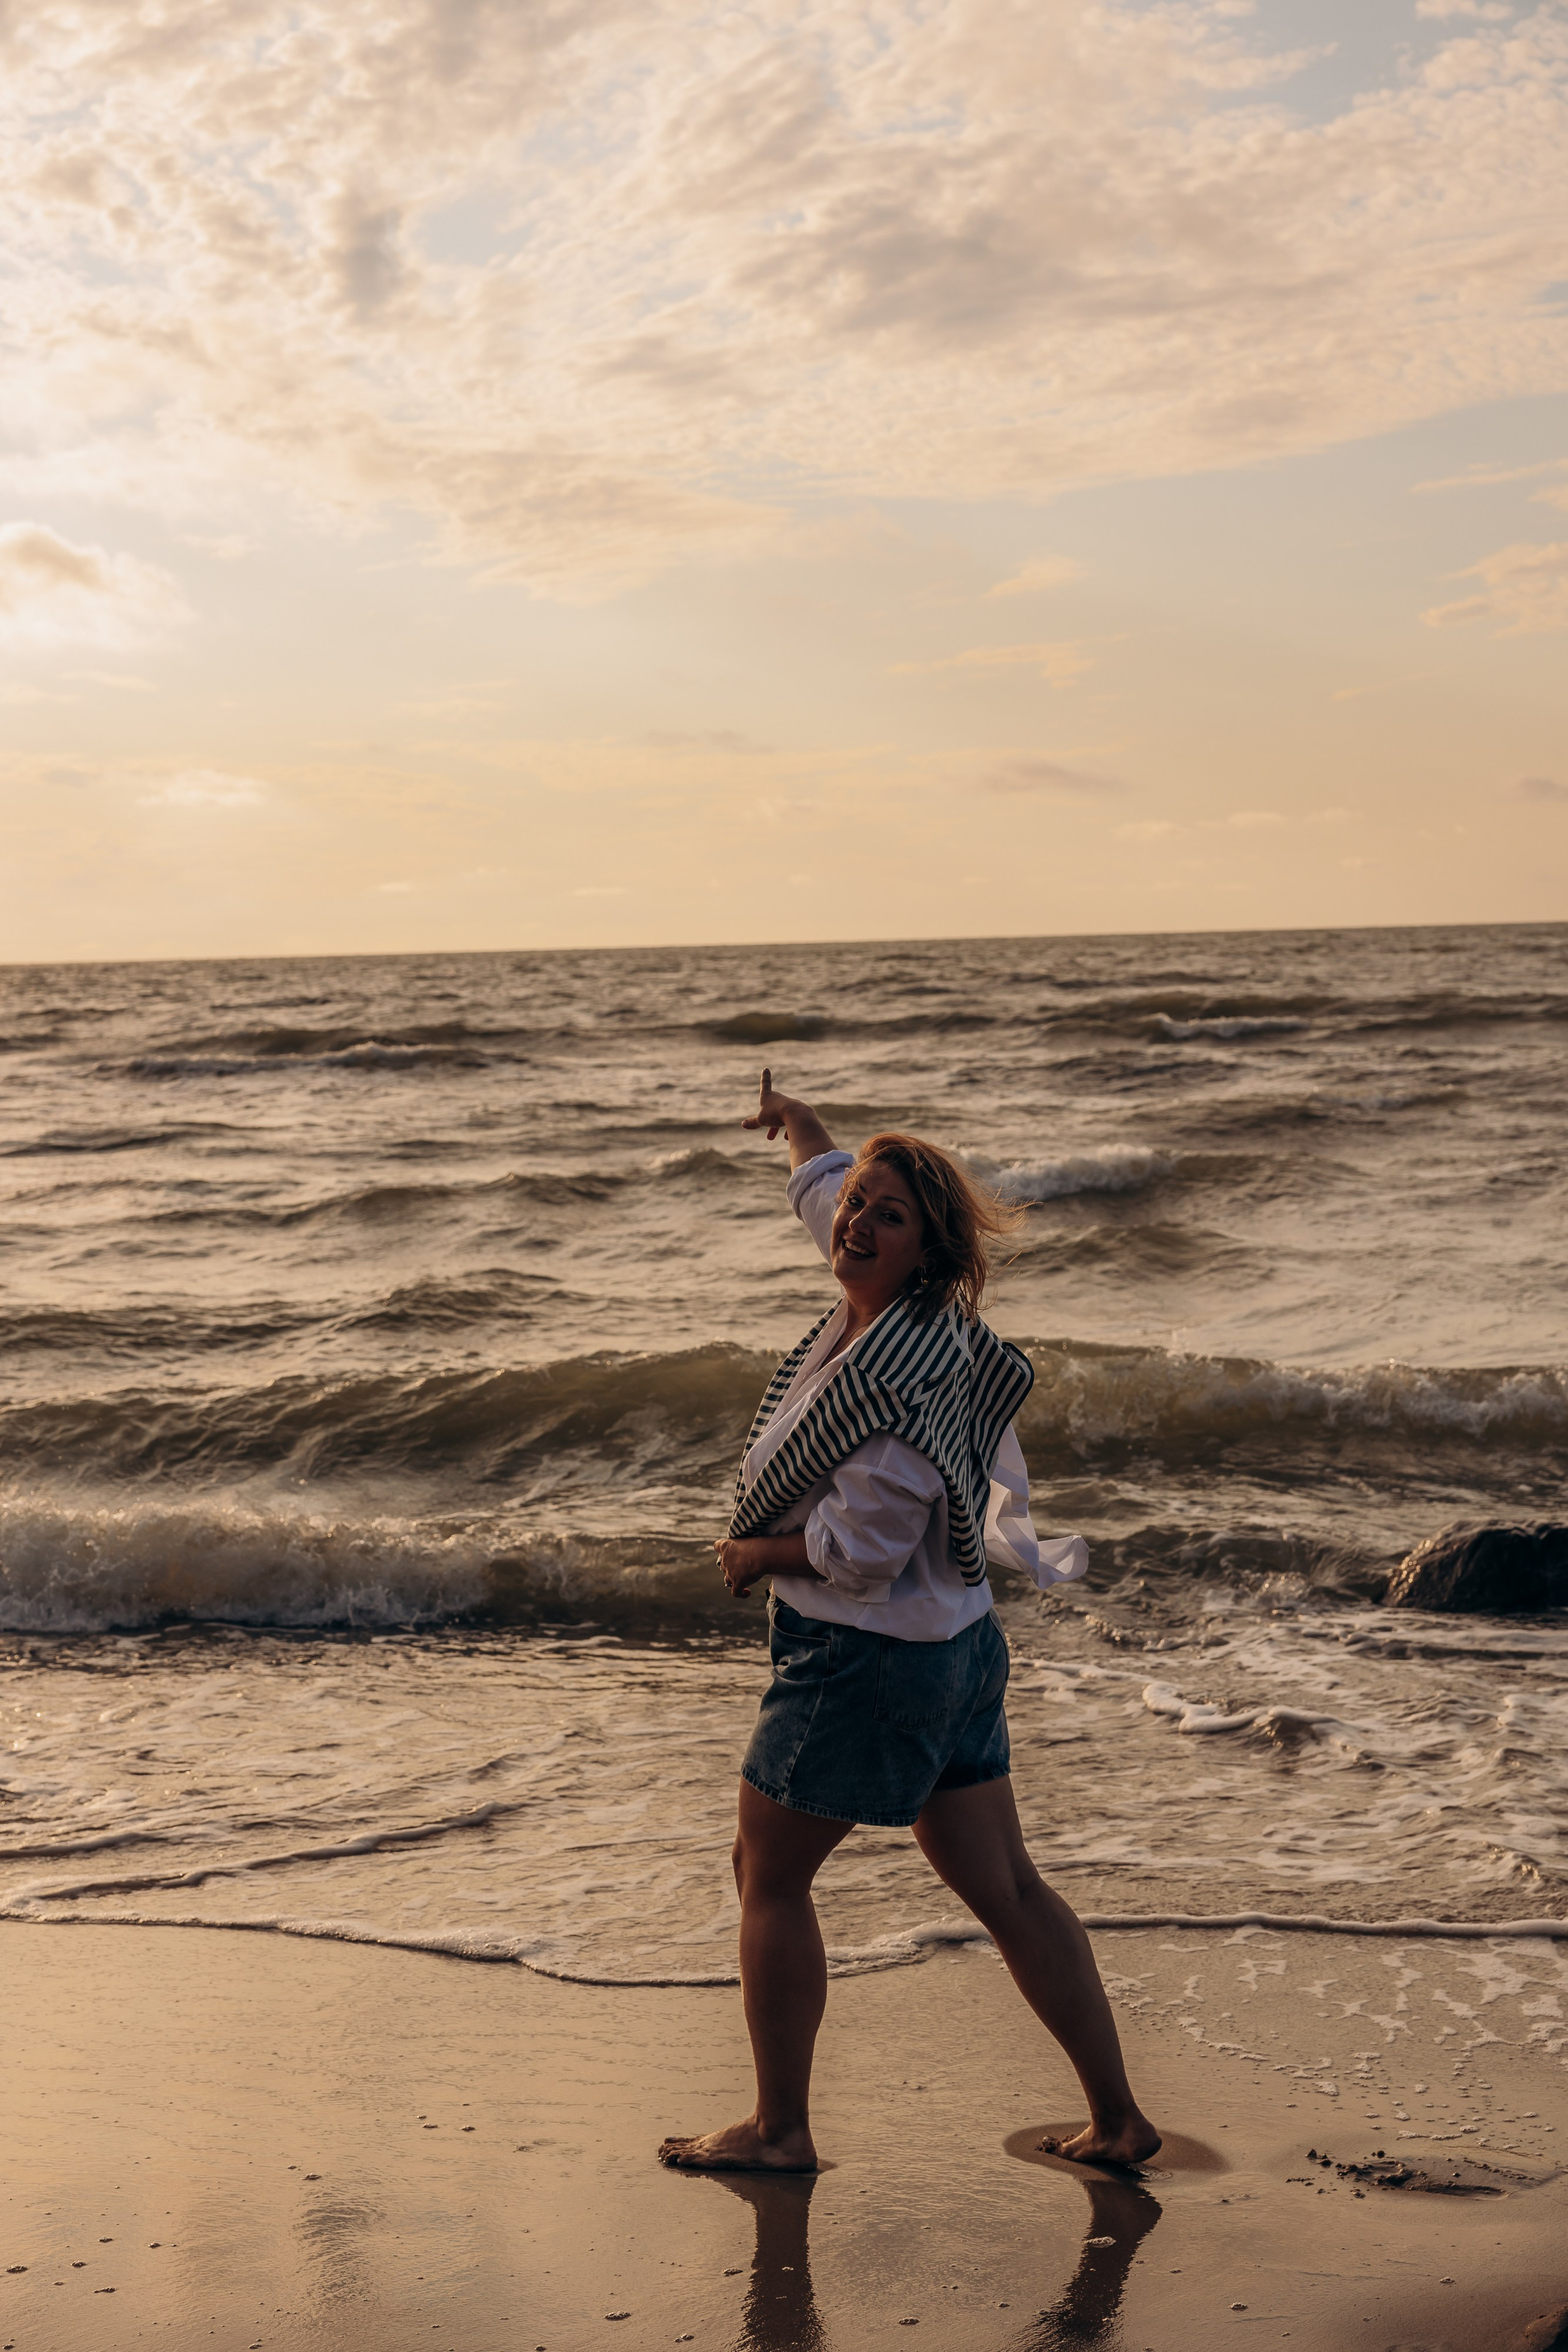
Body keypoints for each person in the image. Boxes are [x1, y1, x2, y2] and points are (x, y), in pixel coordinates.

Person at [657, 1072, 1159, 2177]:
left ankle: (781, 2130)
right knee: (1010, 1888)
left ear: (928, 1252)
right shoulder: (884, 1304)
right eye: (859, 1205)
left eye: (890, 1213)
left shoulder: (906, 1386)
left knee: (767, 1877)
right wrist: (796, 1125)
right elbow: (820, 1182)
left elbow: (859, 1553)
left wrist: (753, 1554)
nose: (857, 1219)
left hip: (865, 1658)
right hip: (959, 1651)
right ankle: (1118, 2120)